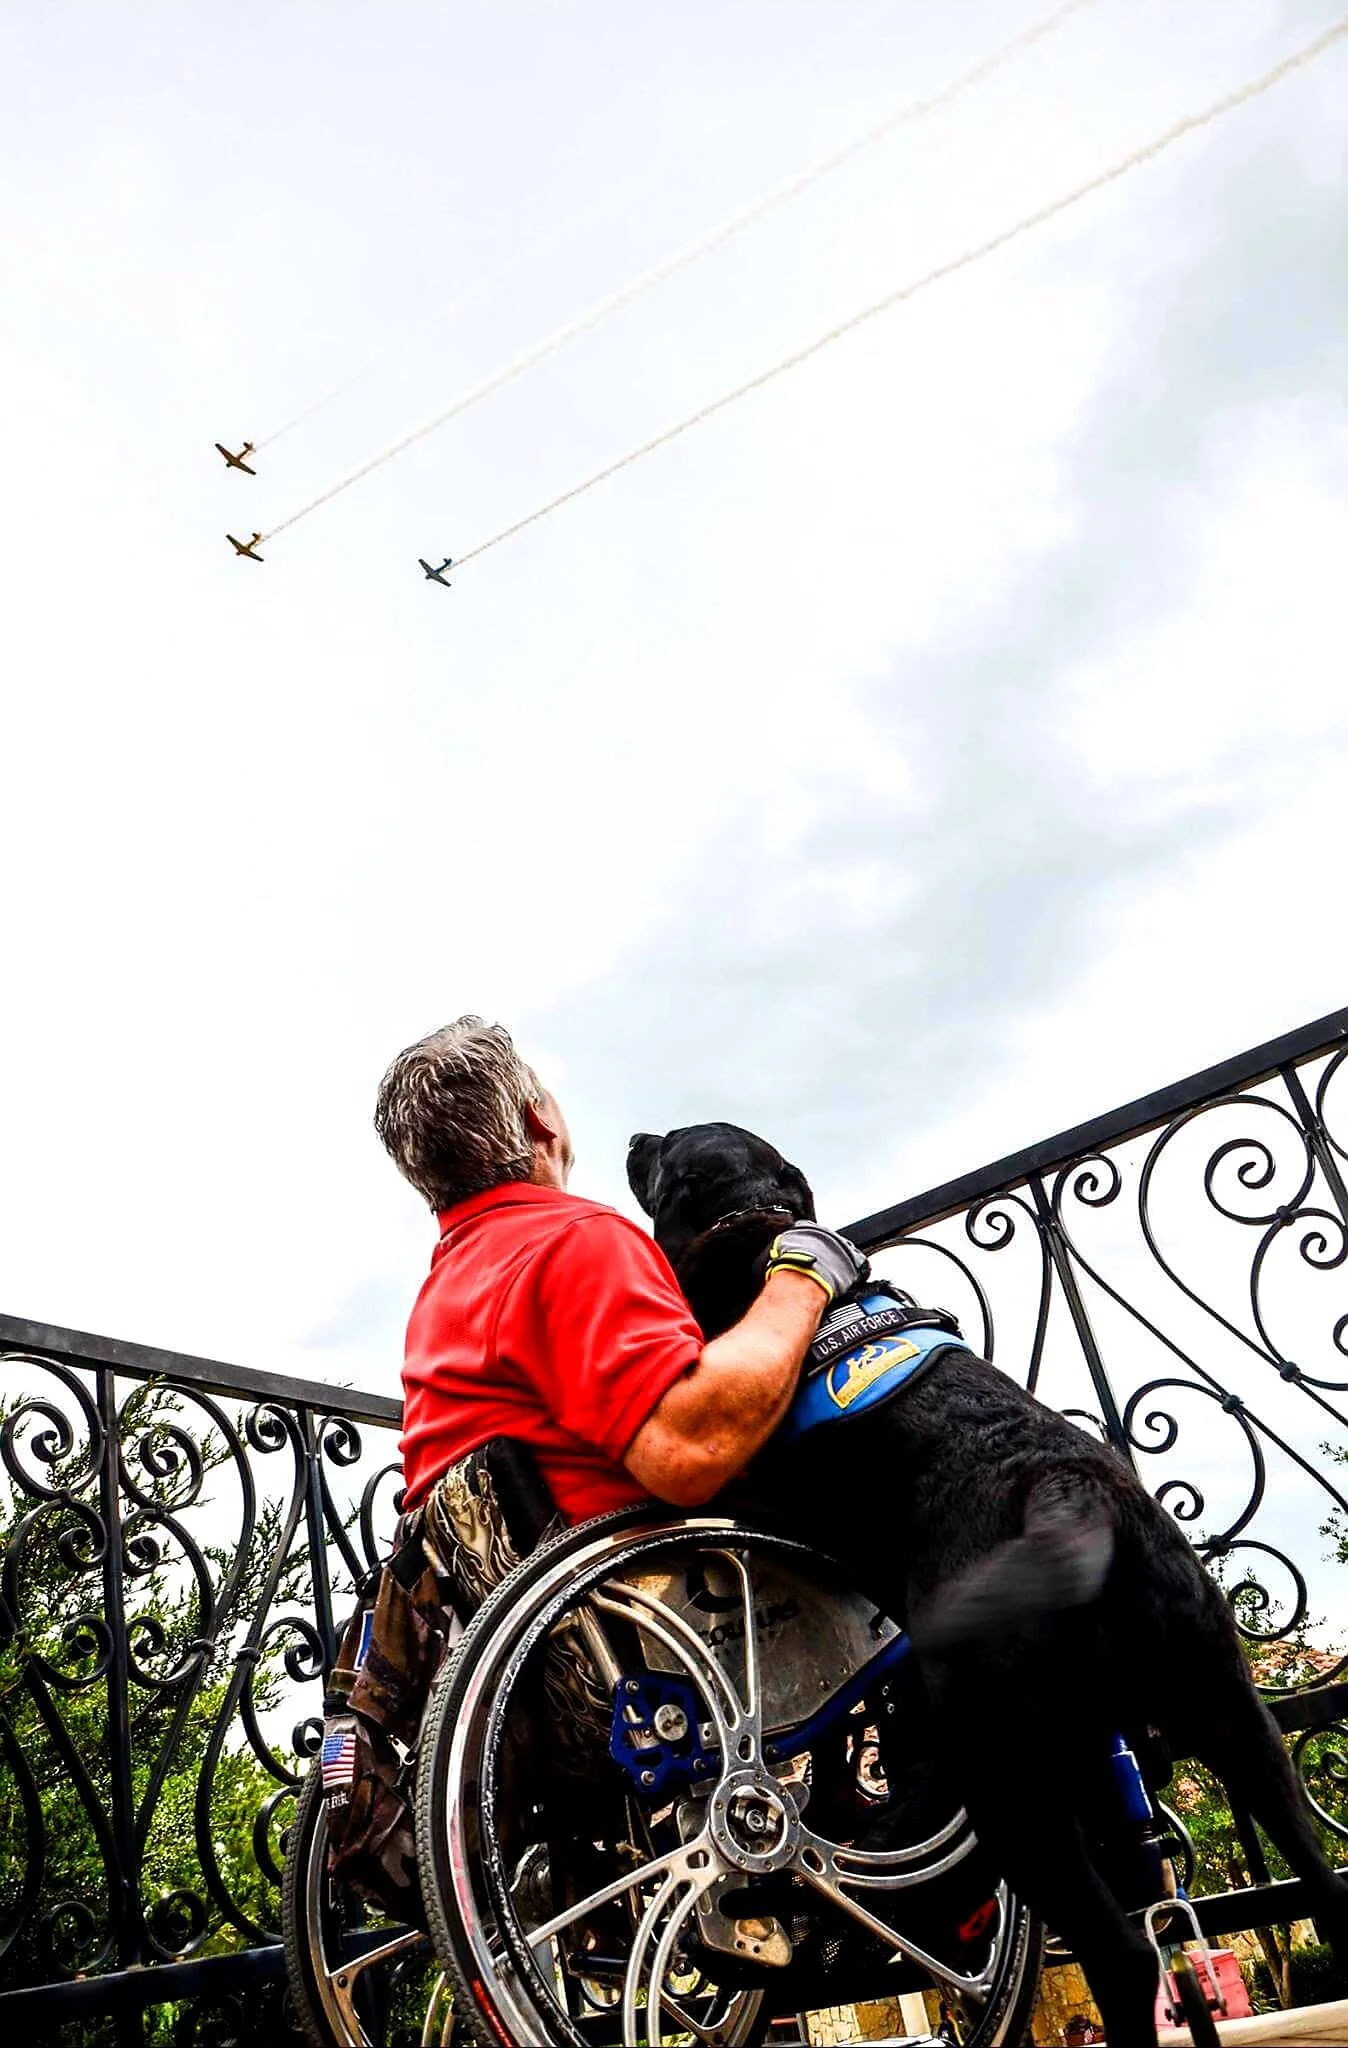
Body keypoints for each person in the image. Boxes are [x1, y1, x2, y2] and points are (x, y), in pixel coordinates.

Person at [374, 1014, 867, 1523]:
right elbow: (690, 1453)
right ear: (538, 1118)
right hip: (642, 1588)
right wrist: (805, 1273)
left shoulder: (442, 1291)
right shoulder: (573, 1240)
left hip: (498, 1588)